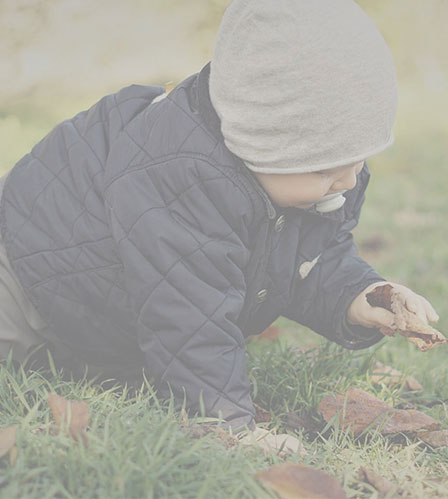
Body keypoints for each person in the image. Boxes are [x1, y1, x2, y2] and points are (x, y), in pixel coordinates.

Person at [0, 0, 440, 448]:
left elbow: (310, 256)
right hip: (24, 272)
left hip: (100, 309)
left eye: (358, 159)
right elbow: (189, 313)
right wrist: (228, 426)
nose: (347, 179)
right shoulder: (184, 176)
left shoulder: (302, 185)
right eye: (326, 168)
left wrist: (358, 296)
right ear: (260, 144)